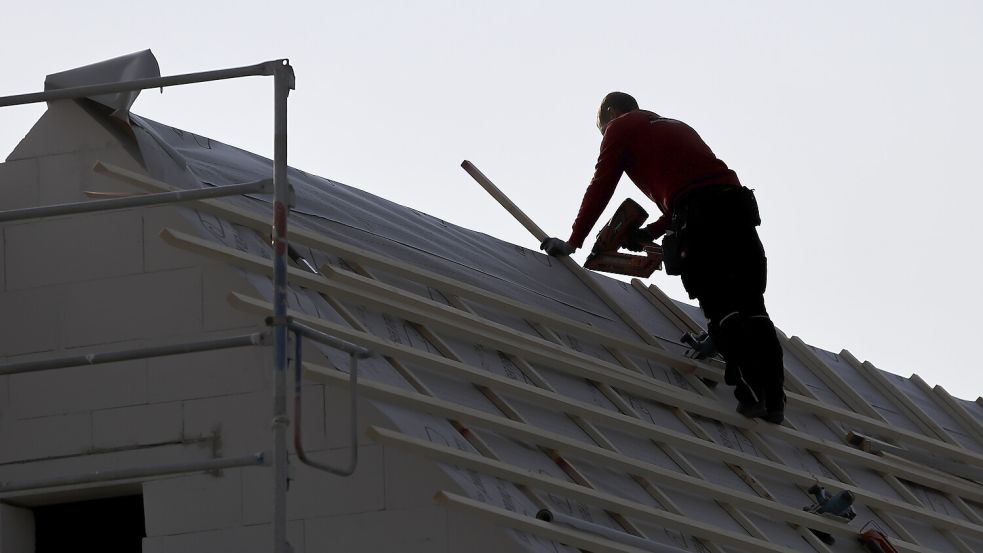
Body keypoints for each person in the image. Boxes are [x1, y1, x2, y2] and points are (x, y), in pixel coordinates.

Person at [540, 92, 785, 423]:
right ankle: (774, 401)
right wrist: (650, 233)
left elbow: (603, 182)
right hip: (736, 208)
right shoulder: (674, 126)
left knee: (720, 306)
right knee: (752, 306)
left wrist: (574, 240)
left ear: (612, 113)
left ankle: (750, 394)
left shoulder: (620, 127)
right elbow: (693, 188)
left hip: (700, 216)